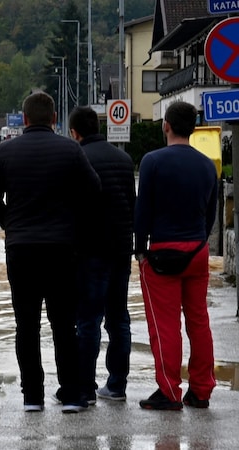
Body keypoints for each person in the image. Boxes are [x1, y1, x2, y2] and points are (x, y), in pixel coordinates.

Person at [0, 91, 101, 413]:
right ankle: (72, 394)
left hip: (21, 250)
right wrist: (71, 223)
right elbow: (93, 191)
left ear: (24, 119)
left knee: (27, 325)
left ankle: (32, 396)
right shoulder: (71, 150)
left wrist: (12, 224)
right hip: (62, 249)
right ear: (53, 119)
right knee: (63, 324)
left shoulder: (6, 151)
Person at [134, 101, 218, 410]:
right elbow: (211, 213)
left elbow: (142, 211)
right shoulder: (208, 164)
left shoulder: (152, 161)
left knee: (165, 325)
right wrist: (199, 239)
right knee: (199, 321)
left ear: (166, 125)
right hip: (197, 250)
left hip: (162, 253)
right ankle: (201, 390)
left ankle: (169, 391)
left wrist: (140, 250)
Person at [68, 106, 135, 405]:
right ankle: (117, 386)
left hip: (89, 252)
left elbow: (71, 209)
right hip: (121, 250)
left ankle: (85, 388)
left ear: (75, 133)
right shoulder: (124, 159)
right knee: (119, 319)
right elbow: (131, 205)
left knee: (88, 321)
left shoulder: (77, 159)